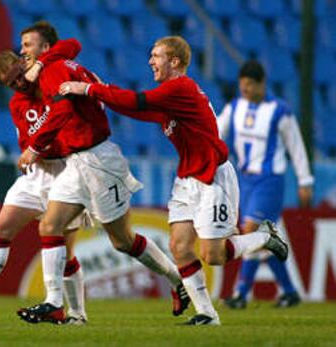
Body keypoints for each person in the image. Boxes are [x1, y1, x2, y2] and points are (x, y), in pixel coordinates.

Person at [59, 36, 289, 326]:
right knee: (180, 247)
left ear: (175, 61)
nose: (150, 61)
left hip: (212, 175)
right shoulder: (170, 95)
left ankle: (266, 237)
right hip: (187, 178)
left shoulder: (181, 88)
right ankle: (207, 314)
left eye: (157, 56)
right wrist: (98, 94)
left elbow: (138, 100)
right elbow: (136, 108)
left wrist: (90, 88)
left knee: (213, 254)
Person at [0, 22, 190, 325]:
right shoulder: (58, 64)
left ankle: (177, 279)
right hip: (76, 163)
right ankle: (56, 304)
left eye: (28, 45)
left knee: (122, 241)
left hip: (97, 160)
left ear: (45, 48)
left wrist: (36, 148)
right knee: (50, 226)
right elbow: (72, 44)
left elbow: (63, 110)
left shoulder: (53, 69)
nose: (22, 52)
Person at [0, 39, 89, 325]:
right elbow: (29, 141)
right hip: (36, 175)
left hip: (66, 172)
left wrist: (40, 148)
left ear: (25, 64)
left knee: (65, 250)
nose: (19, 84)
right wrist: (35, 151)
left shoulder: (50, 76)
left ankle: (76, 314)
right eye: (11, 83)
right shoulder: (18, 103)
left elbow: (72, 44)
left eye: (19, 77)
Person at [217, 60, 313, 309]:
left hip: (270, 182)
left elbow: (296, 146)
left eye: (249, 85)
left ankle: (240, 294)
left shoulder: (280, 111)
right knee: (259, 239)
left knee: (249, 231)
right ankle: (290, 291)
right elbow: (215, 131)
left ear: (262, 84)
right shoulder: (235, 107)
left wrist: (305, 181)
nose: (245, 89)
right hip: (245, 182)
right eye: (242, 85)